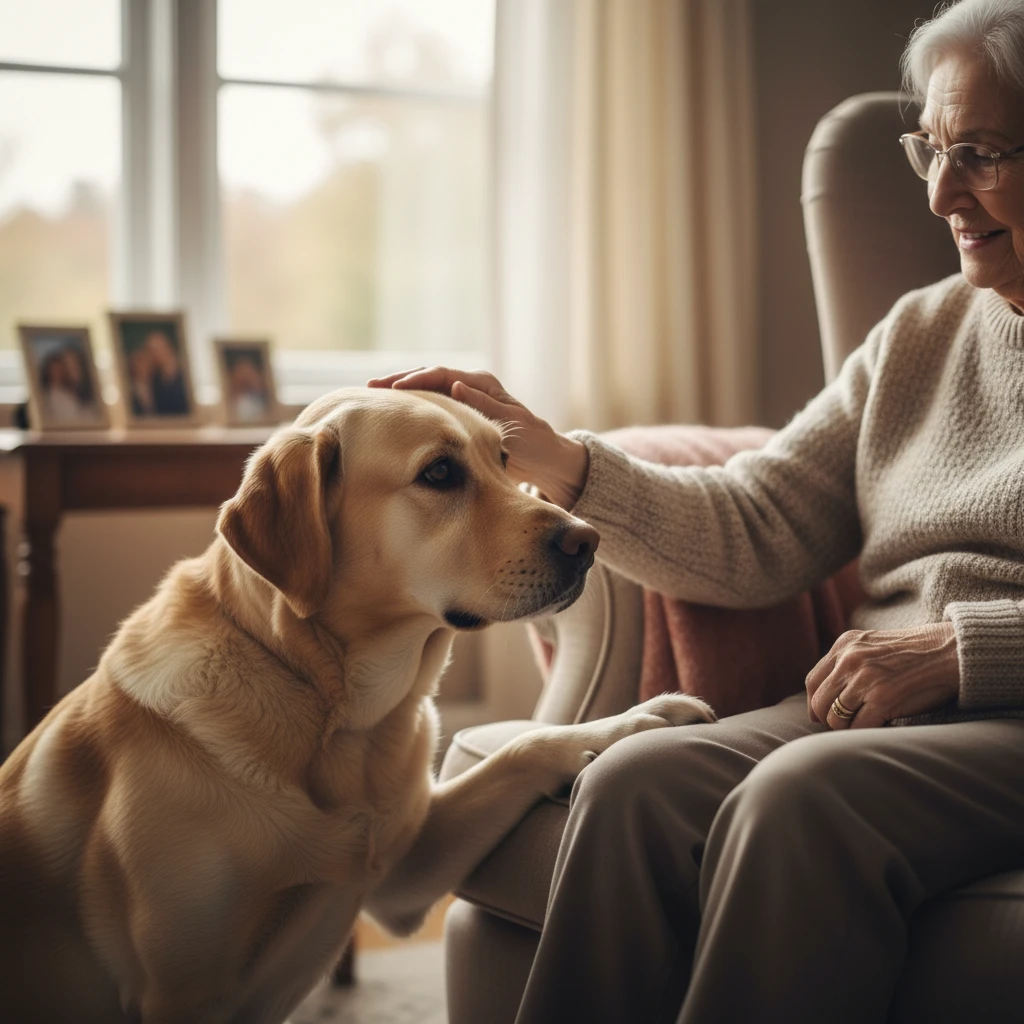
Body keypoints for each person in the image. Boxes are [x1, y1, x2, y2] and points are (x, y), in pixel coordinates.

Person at [369, 1, 1024, 1019]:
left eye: (978, 152)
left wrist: (959, 651)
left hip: (1000, 711)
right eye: (929, 150)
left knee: (798, 800)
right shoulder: (919, 333)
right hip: (877, 707)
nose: (940, 192)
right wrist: (557, 459)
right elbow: (760, 523)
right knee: (633, 785)